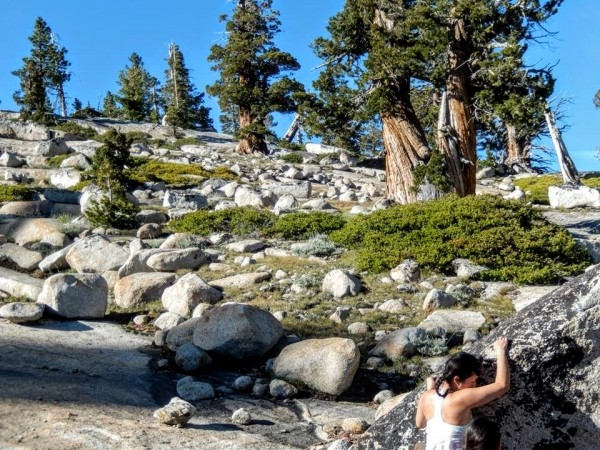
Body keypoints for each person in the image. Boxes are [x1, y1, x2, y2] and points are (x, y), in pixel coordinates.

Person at [415, 337, 509, 450]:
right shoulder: (459, 399)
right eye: (472, 381)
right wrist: (500, 351)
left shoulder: (426, 397)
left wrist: (429, 389)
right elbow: (502, 386)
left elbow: (420, 424)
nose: (475, 386)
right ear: (457, 380)